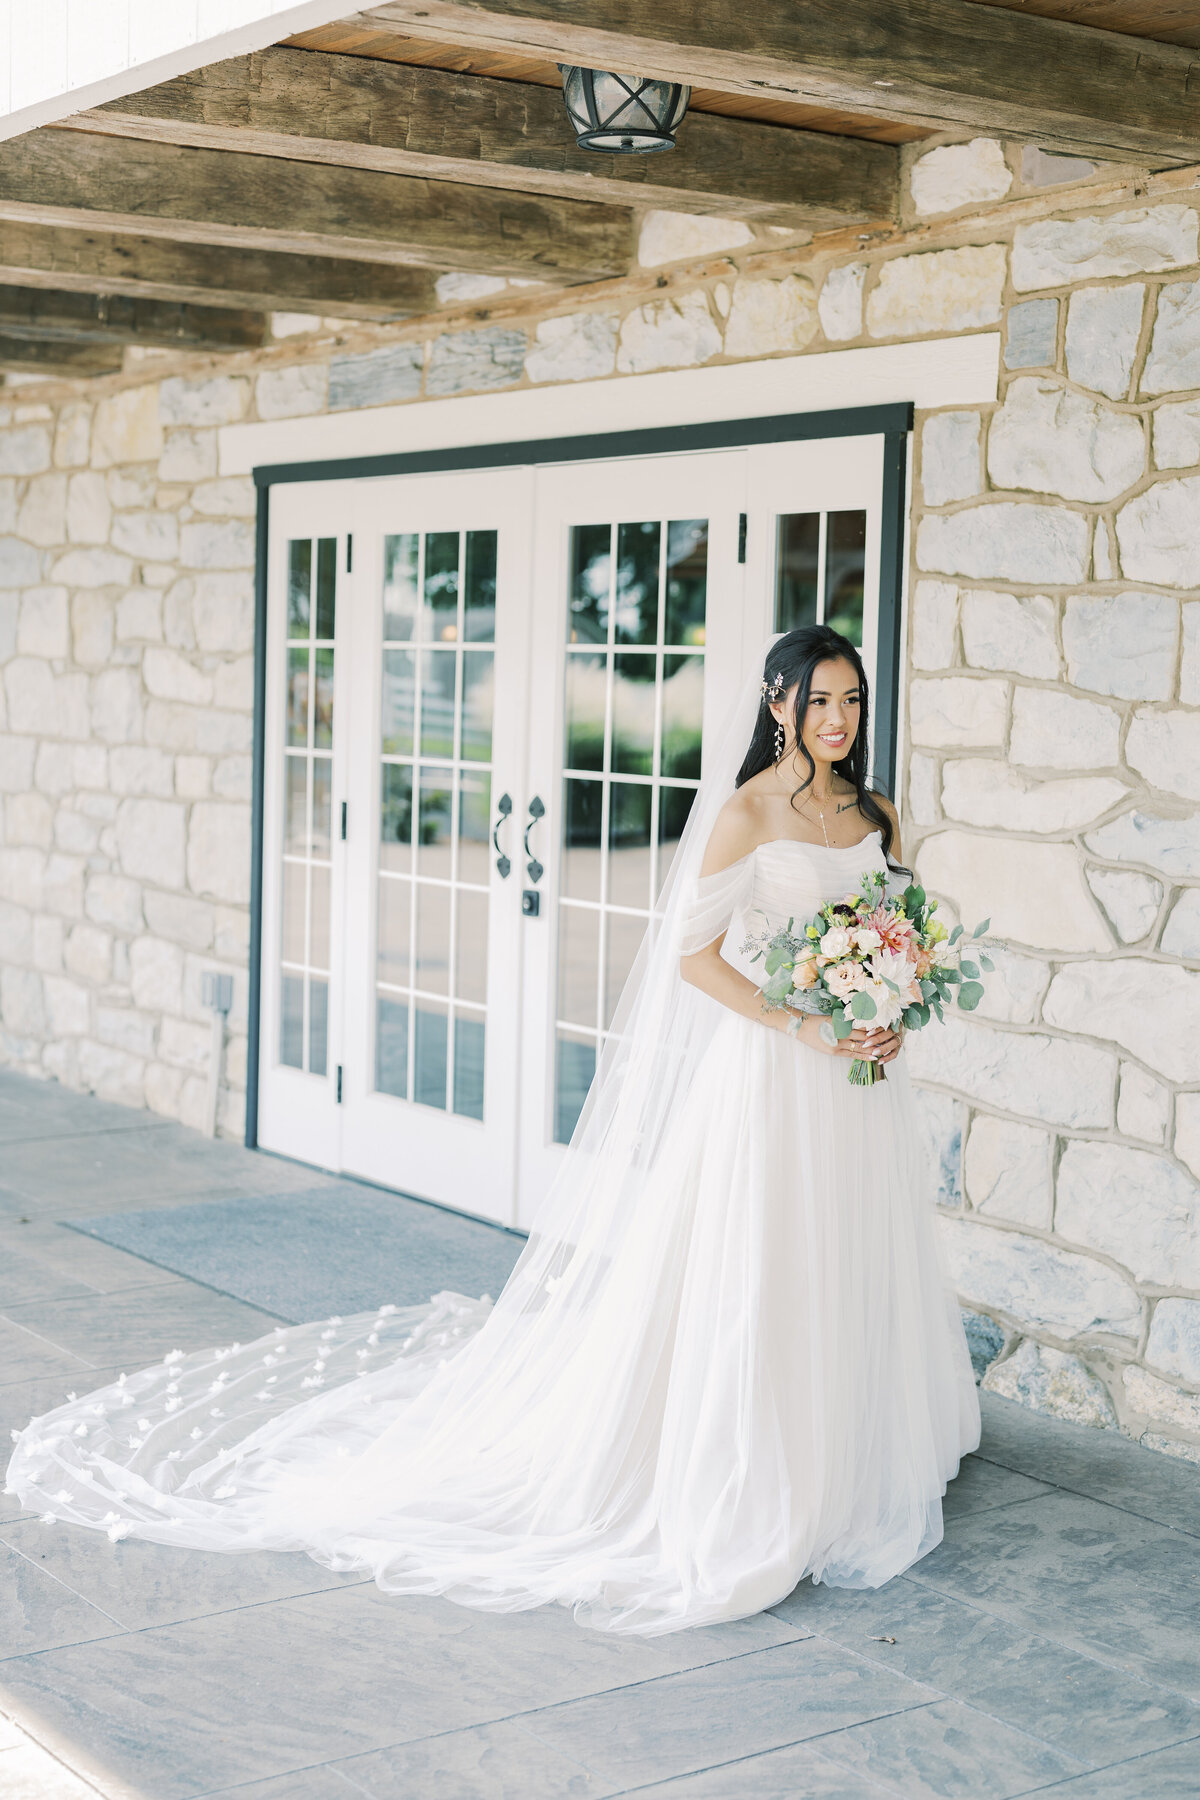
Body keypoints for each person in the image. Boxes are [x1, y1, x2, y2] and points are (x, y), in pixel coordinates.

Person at [7, 625, 980, 1638]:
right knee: (772, 1258)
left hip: (857, 1077)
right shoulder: (745, 815)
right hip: (776, 1077)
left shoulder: (876, 814)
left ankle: (860, 1440)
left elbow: (892, 929)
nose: (837, 720)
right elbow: (695, 957)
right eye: (818, 699)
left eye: (852, 701)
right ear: (778, 705)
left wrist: (887, 1004)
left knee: (854, 1247)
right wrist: (804, 1020)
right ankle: (772, 1459)